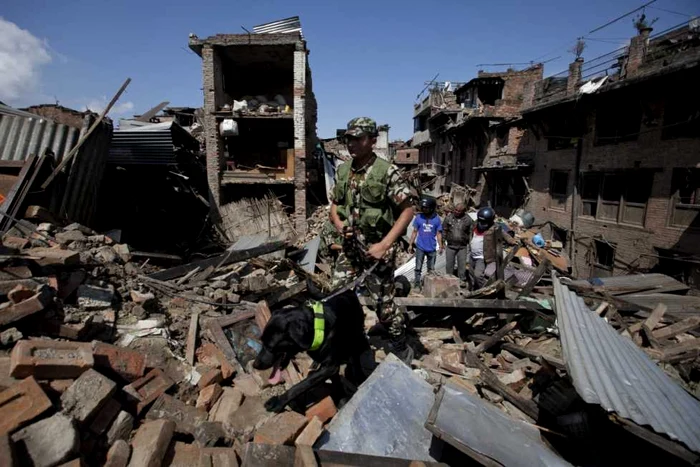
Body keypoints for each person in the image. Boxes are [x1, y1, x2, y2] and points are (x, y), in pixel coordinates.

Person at [329, 117, 416, 364]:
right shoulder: (343, 170)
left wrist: (384, 245)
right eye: (348, 138)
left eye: (358, 138)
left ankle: (400, 345)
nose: (351, 143)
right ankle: (345, 341)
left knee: (383, 305)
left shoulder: (387, 172)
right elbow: (334, 207)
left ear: (372, 140)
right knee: (337, 295)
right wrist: (340, 225)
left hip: (378, 249)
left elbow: (408, 211)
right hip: (350, 248)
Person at [409, 196, 442, 290]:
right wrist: (410, 244)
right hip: (420, 247)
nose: (424, 209)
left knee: (431, 270)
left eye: (426, 208)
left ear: (431, 208)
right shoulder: (419, 217)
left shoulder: (436, 219)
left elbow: (439, 233)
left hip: (432, 247)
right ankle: (417, 284)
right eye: (423, 208)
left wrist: (441, 246)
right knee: (418, 267)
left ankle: (428, 286)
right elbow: (414, 231)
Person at [443, 203, 472, 287]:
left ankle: (462, 280)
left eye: (459, 211)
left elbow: (470, 233)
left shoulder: (468, 220)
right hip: (450, 245)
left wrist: (470, 244)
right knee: (449, 264)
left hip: (462, 246)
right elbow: (444, 230)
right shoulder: (449, 218)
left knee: (462, 265)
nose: (457, 212)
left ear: (463, 211)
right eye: (456, 210)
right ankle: (448, 280)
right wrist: (443, 241)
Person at [469, 206, 497, 289]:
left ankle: (482, 290)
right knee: (470, 273)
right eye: (480, 221)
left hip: (481, 257)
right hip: (472, 255)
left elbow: (504, 235)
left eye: (484, 223)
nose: (481, 224)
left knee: (478, 275)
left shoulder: (493, 228)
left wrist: (512, 241)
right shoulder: (475, 224)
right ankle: (472, 290)